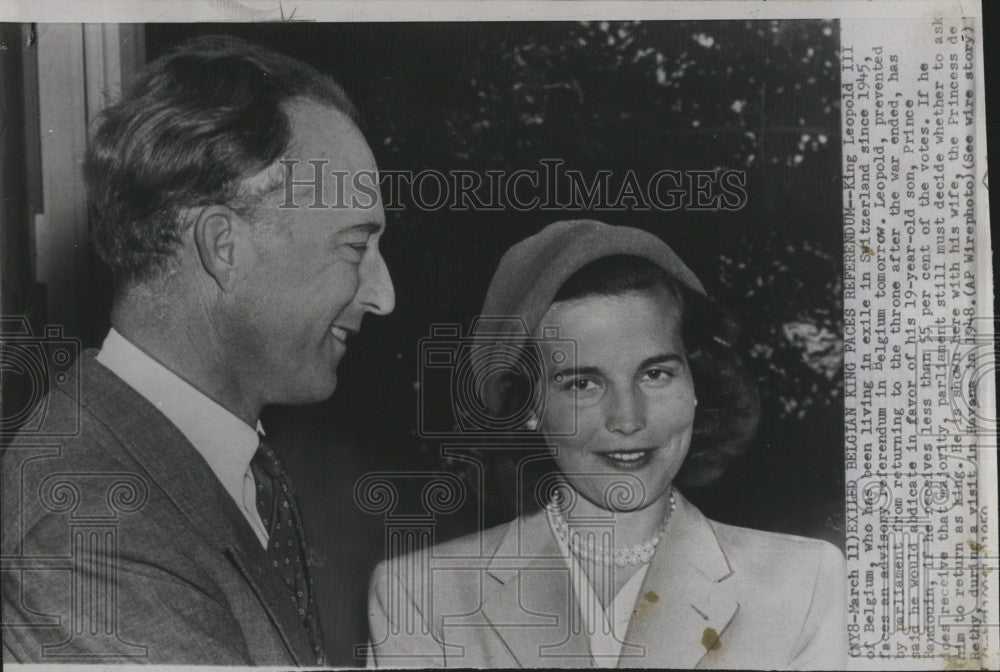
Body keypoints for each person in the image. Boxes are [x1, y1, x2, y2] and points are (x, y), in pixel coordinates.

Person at [2, 36, 394, 665]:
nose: (384, 295)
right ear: (225, 246)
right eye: (354, 247)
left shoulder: (224, 460)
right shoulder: (86, 535)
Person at [367, 220, 844, 669]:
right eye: (582, 385)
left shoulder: (803, 583)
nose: (628, 419)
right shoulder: (423, 596)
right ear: (527, 407)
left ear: (697, 384)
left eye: (656, 374)